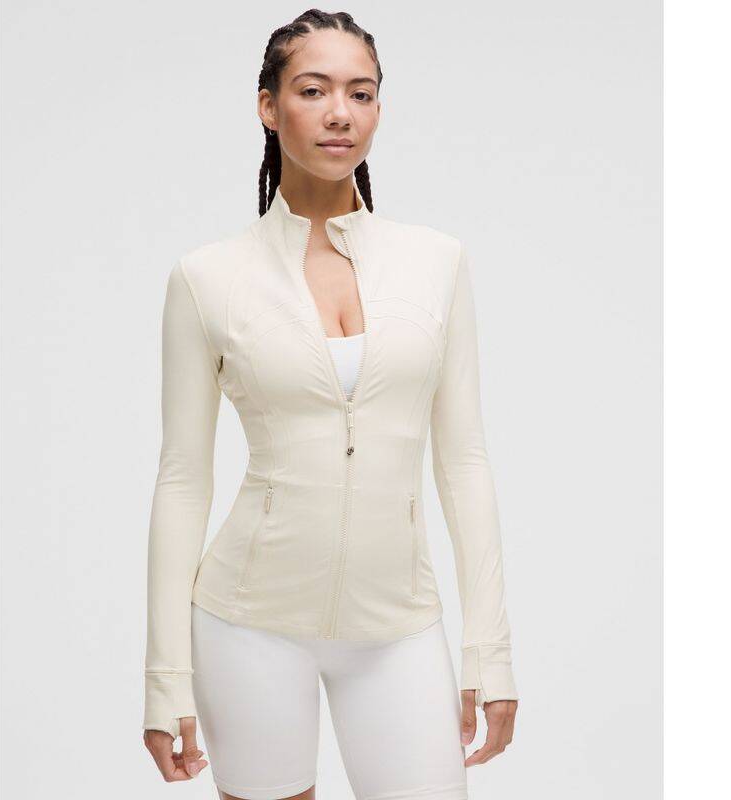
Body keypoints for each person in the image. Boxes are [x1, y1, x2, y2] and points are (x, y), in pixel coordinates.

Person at [142, 10, 519, 800]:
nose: (340, 112)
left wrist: (490, 651)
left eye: (361, 93)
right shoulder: (208, 278)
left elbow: (464, 461)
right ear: (268, 106)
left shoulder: (436, 263)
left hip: (398, 626)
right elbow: (182, 479)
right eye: (313, 90)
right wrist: (164, 676)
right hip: (247, 622)